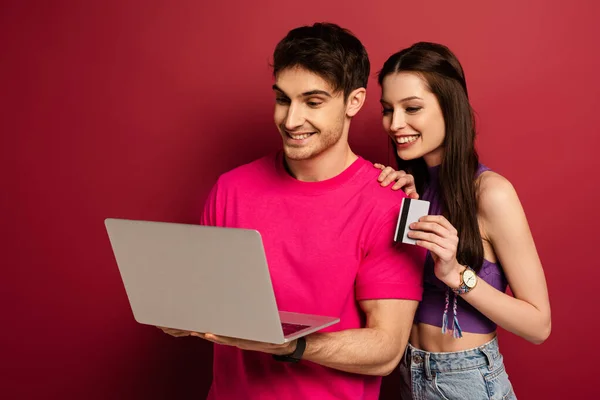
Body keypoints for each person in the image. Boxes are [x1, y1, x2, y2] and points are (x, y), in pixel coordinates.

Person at [159, 23, 425, 400]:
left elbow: (386, 348)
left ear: (354, 101)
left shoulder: (391, 203)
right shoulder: (230, 189)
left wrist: (293, 346)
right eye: (283, 99)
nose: (290, 120)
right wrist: (176, 314)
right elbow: (204, 303)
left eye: (313, 102)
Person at [374, 42, 551, 399]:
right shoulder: (410, 189)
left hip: (467, 379)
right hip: (408, 373)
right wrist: (389, 203)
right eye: (388, 109)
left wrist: (457, 275)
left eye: (412, 108)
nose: (395, 124)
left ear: (450, 108)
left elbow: (539, 325)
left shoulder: (490, 193)